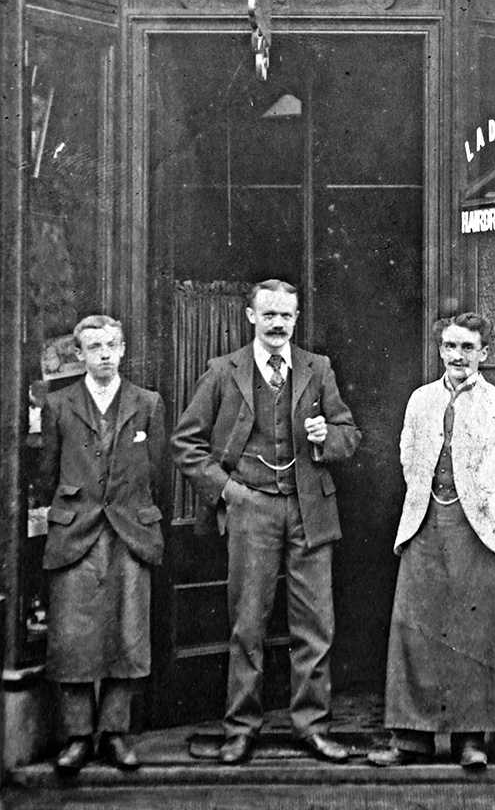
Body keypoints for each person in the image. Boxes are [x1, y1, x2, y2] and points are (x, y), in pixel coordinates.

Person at [171, 278, 361, 764]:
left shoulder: (318, 369)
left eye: (287, 316)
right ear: (251, 316)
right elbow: (185, 445)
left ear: (296, 319)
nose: (279, 324)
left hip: (309, 509)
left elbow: (349, 435)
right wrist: (230, 491)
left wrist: (325, 437)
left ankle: (312, 727)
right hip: (250, 506)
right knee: (247, 624)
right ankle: (240, 728)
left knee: (315, 624)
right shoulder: (221, 372)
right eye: (270, 314)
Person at [369, 311, 495, 770]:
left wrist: (481, 509)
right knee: (414, 629)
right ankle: (411, 741)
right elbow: (407, 458)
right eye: (450, 347)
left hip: (477, 529)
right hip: (424, 522)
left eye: (467, 347)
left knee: (475, 634)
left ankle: (470, 741)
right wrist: (429, 500)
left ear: (484, 353)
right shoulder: (419, 401)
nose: (457, 356)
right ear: (440, 350)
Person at [40, 314, 166, 774]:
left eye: (112, 345)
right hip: (76, 533)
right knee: (73, 638)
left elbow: (158, 470)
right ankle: (77, 737)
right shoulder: (59, 405)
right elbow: (48, 471)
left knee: (128, 635)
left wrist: (136, 511)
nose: (105, 354)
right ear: (80, 355)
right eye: (95, 347)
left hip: (130, 531)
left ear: (124, 348)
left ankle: (114, 734)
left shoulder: (147, 403)